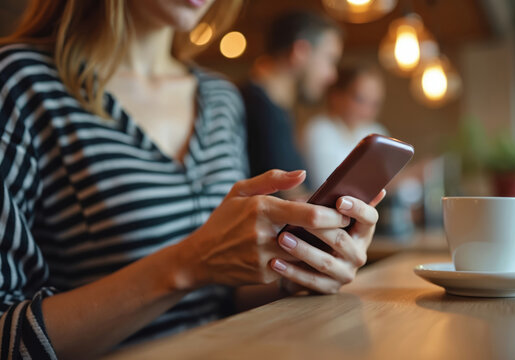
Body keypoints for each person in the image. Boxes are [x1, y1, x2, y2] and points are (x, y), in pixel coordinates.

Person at [0, 1, 384, 358]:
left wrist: (296, 271)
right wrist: (189, 263)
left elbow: (218, 296)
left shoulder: (219, 98)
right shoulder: (21, 84)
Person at [240, 11, 343, 197]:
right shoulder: (249, 106)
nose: (332, 75)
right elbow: (288, 195)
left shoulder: (277, 109)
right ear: (300, 51)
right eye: (329, 59)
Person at [303, 64, 388, 189]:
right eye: (360, 99)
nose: (367, 111)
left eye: (375, 103)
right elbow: (327, 184)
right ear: (336, 96)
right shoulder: (318, 130)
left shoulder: (377, 131)